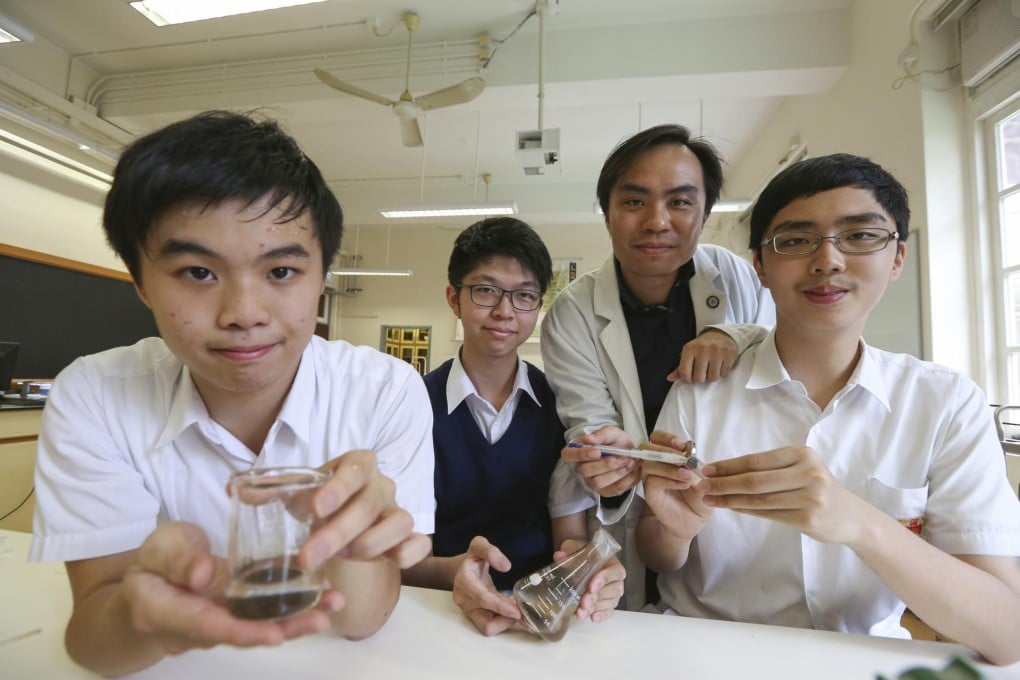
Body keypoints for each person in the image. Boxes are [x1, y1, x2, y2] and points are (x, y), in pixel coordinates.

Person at [29, 110, 435, 676]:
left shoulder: (386, 390)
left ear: (323, 278)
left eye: (282, 272)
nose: (244, 314)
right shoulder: (95, 395)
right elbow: (94, 641)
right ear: (139, 280)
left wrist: (346, 537)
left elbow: (362, 621)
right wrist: (137, 611)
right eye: (198, 272)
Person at [636, 153, 1020, 665]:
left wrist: (860, 524)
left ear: (897, 257)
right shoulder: (700, 391)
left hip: (864, 660)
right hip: (705, 656)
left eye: (860, 236)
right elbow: (659, 553)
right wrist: (674, 531)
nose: (828, 260)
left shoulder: (944, 403)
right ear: (761, 268)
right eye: (795, 240)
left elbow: (1006, 634)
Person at [540, 124, 776, 609]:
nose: (656, 221)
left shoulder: (733, 277)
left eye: (680, 202)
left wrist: (734, 334)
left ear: (705, 213)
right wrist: (606, 458)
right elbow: (589, 424)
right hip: (630, 527)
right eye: (634, 202)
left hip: (728, 523)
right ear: (607, 214)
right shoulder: (572, 311)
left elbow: (777, 361)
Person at [402, 217, 625, 636]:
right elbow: (406, 560)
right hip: (435, 615)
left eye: (524, 295)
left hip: (535, 620)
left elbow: (568, 540)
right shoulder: (413, 404)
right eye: (486, 291)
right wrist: (458, 572)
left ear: (538, 307)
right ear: (454, 298)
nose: (505, 311)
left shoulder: (559, 409)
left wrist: (593, 566)